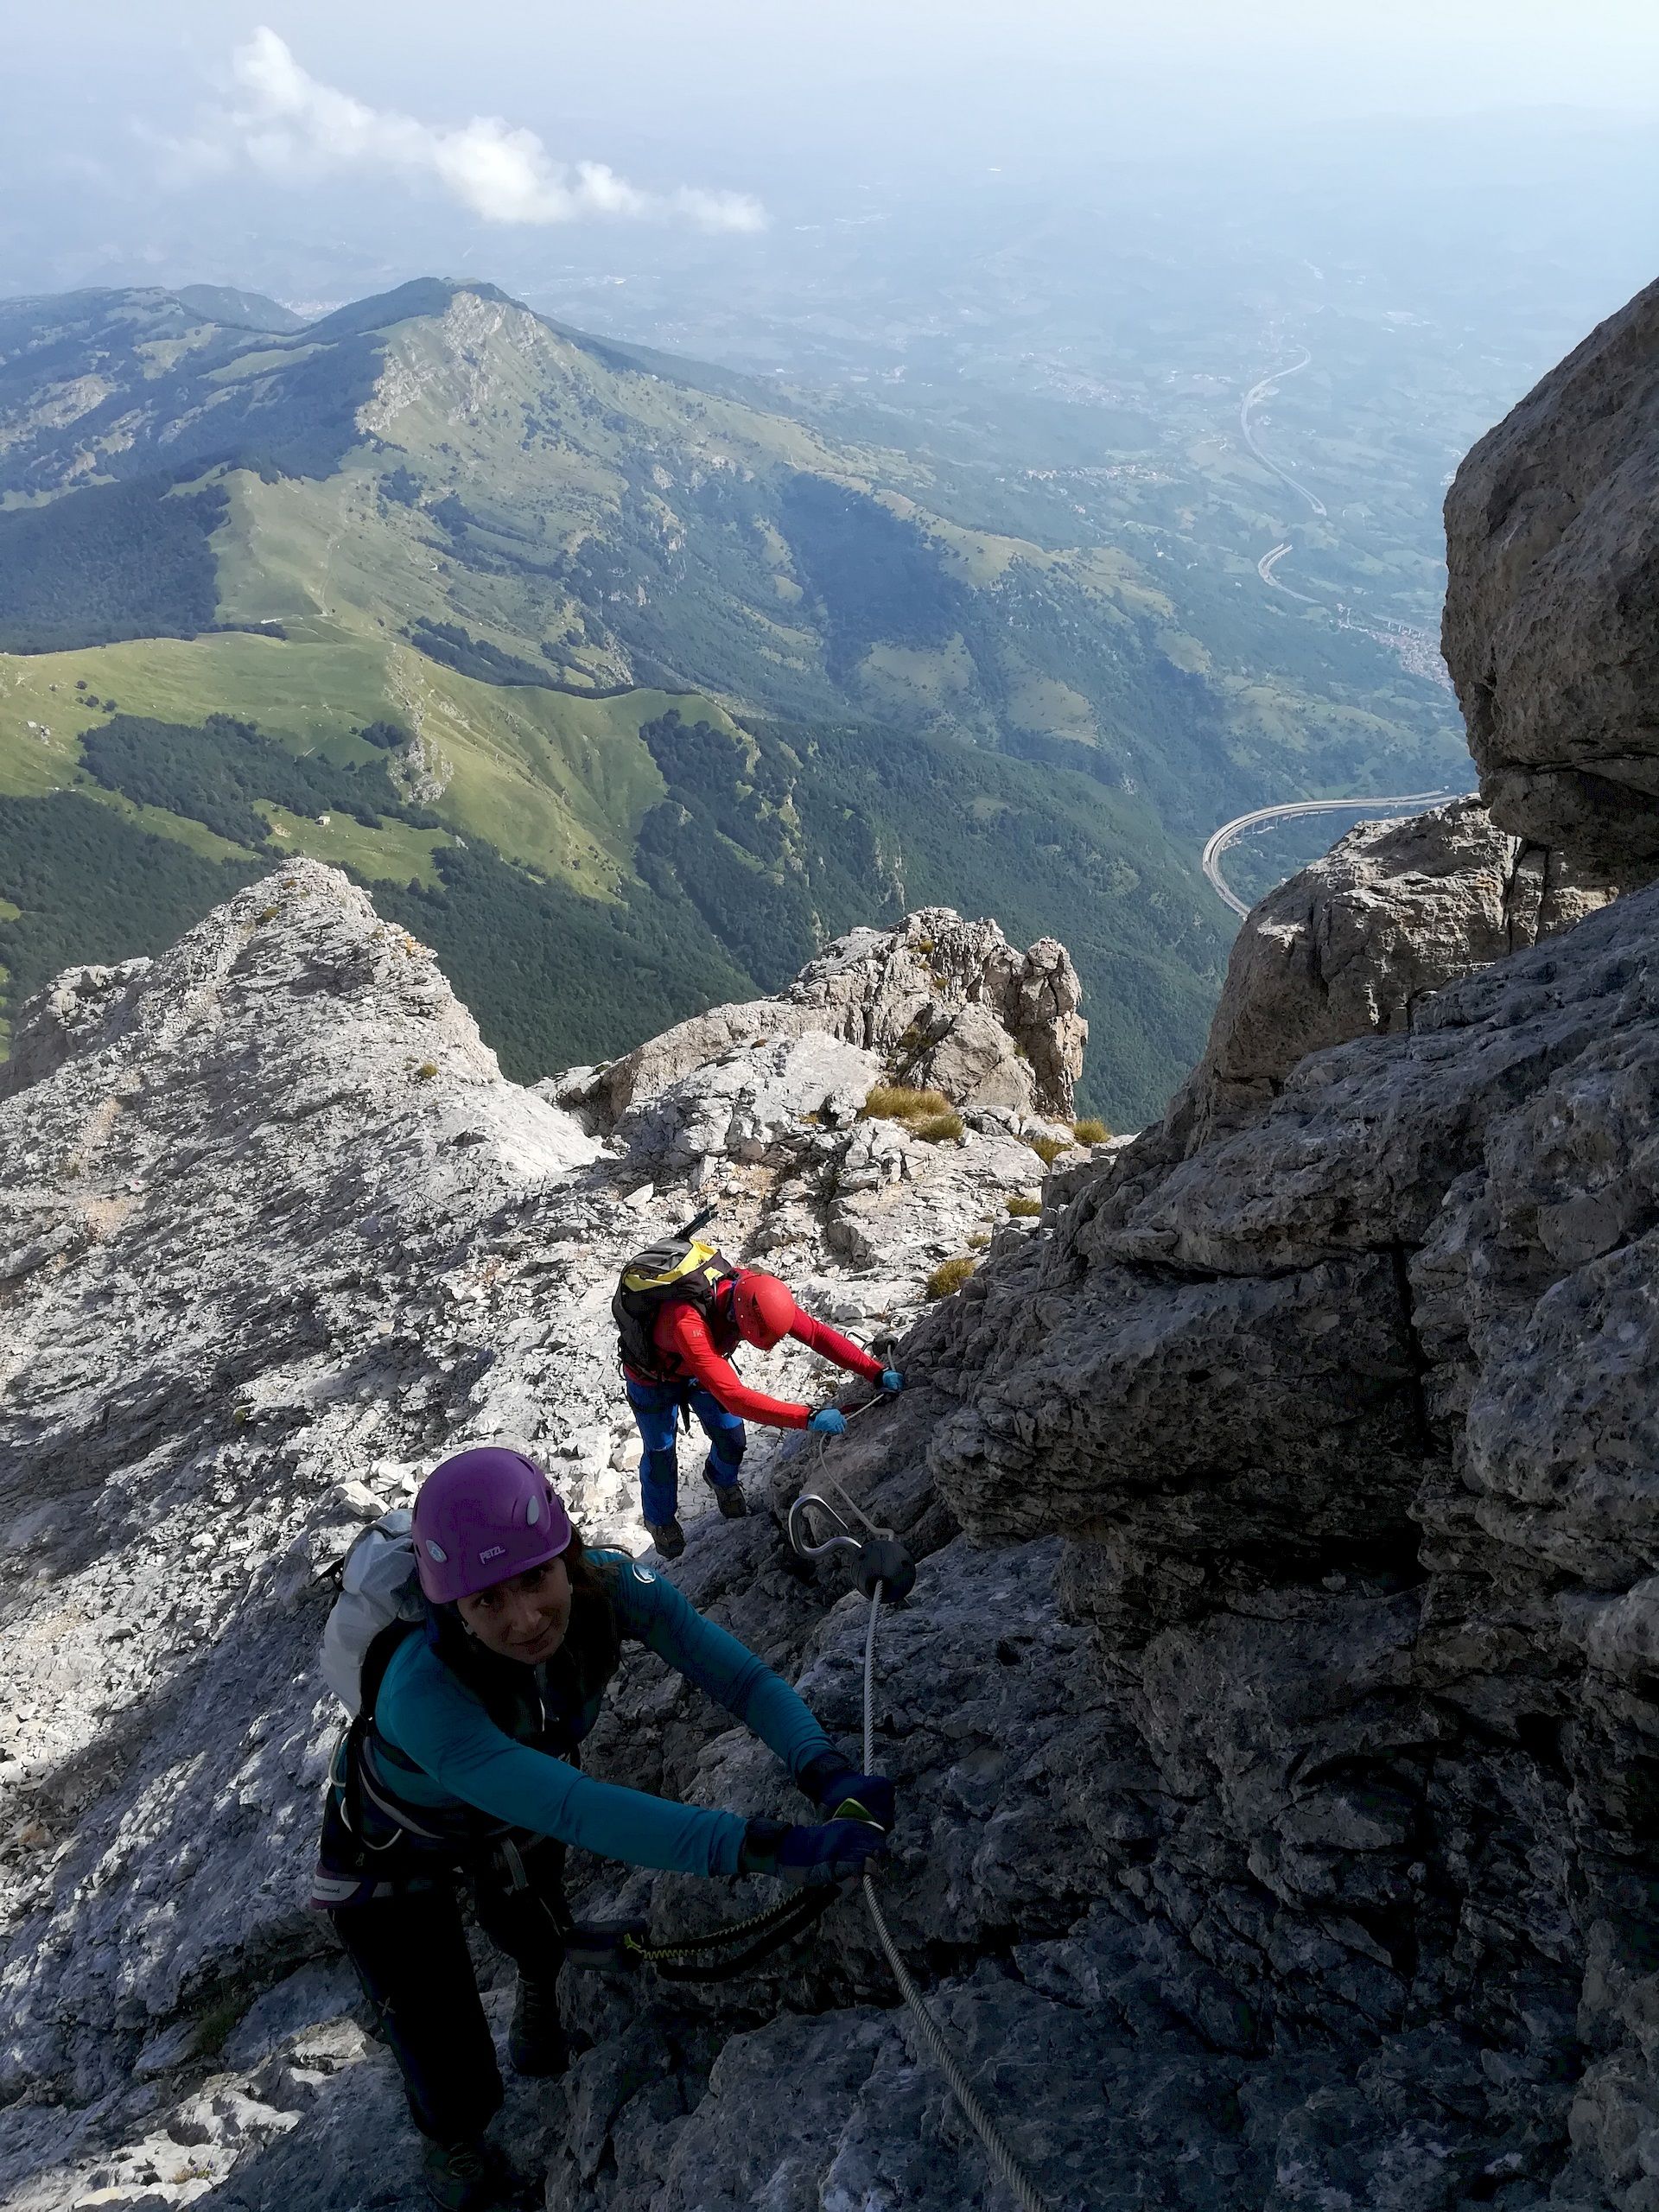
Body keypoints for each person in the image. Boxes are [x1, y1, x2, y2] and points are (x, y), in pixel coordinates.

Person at [312, 1446, 894, 2211]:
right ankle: (456, 2144)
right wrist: (778, 1849)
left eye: (534, 1578)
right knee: (434, 2023)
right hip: (387, 1849)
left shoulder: (611, 1589)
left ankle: (538, 1978)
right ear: (451, 1607)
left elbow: (738, 1677)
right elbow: (577, 1808)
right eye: (488, 1601)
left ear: (567, 1553)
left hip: (505, 1805)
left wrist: (822, 1768)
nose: (523, 1619)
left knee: (535, 1915)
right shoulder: (423, 1693)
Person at [615, 1251, 905, 1557]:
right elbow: (734, 1398)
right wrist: (809, 1417)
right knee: (660, 1453)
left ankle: (721, 1480)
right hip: (653, 1380)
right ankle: (660, 1521)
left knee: (732, 1439)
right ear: (740, 1320)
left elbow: (817, 1334)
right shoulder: (686, 1320)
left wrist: (875, 1372)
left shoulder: (760, 1295)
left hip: (699, 1368)